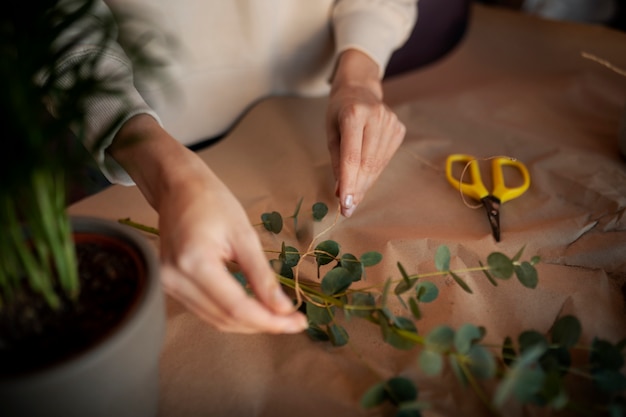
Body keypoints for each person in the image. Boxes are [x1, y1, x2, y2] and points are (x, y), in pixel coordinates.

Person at [66, 0, 441, 334]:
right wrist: (168, 177)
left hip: (309, 113)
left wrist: (360, 77)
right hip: (135, 137)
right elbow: (56, 27)